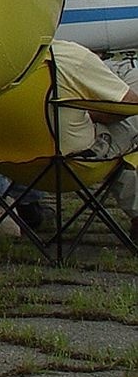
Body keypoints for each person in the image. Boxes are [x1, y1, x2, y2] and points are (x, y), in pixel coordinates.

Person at [48, 39, 138, 236]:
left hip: (14, 163)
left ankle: (31, 206)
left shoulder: (2, 62)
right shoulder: (71, 55)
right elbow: (130, 104)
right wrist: (86, 113)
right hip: (74, 163)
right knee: (128, 128)